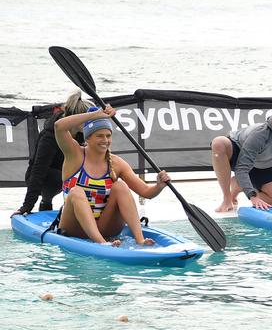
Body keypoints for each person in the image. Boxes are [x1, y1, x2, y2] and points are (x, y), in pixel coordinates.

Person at [52, 106, 171, 246]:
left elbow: (146, 192)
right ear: (88, 138)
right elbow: (59, 126)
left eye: (108, 136)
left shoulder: (117, 163)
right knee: (76, 191)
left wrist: (159, 186)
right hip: (74, 227)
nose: (105, 140)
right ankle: (102, 244)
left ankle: (140, 240)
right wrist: (95, 115)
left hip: (104, 227)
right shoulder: (75, 155)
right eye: (100, 136)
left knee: (120, 186)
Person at [211, 100, 272, 212]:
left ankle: (238, 184)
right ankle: (227, 198)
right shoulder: (260, 134)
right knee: (219, 143)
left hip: (264, 164)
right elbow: (242, 168)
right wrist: (253, 196)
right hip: (239, 156)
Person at [14, 92, 91, 216]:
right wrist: (27, 206)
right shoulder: (49, 137)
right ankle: (48, 202)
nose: (88, 122)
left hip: (66, 174)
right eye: (85, 119)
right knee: (64, 177)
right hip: (45, 177)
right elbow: (38, 171)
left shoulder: (82, 135)